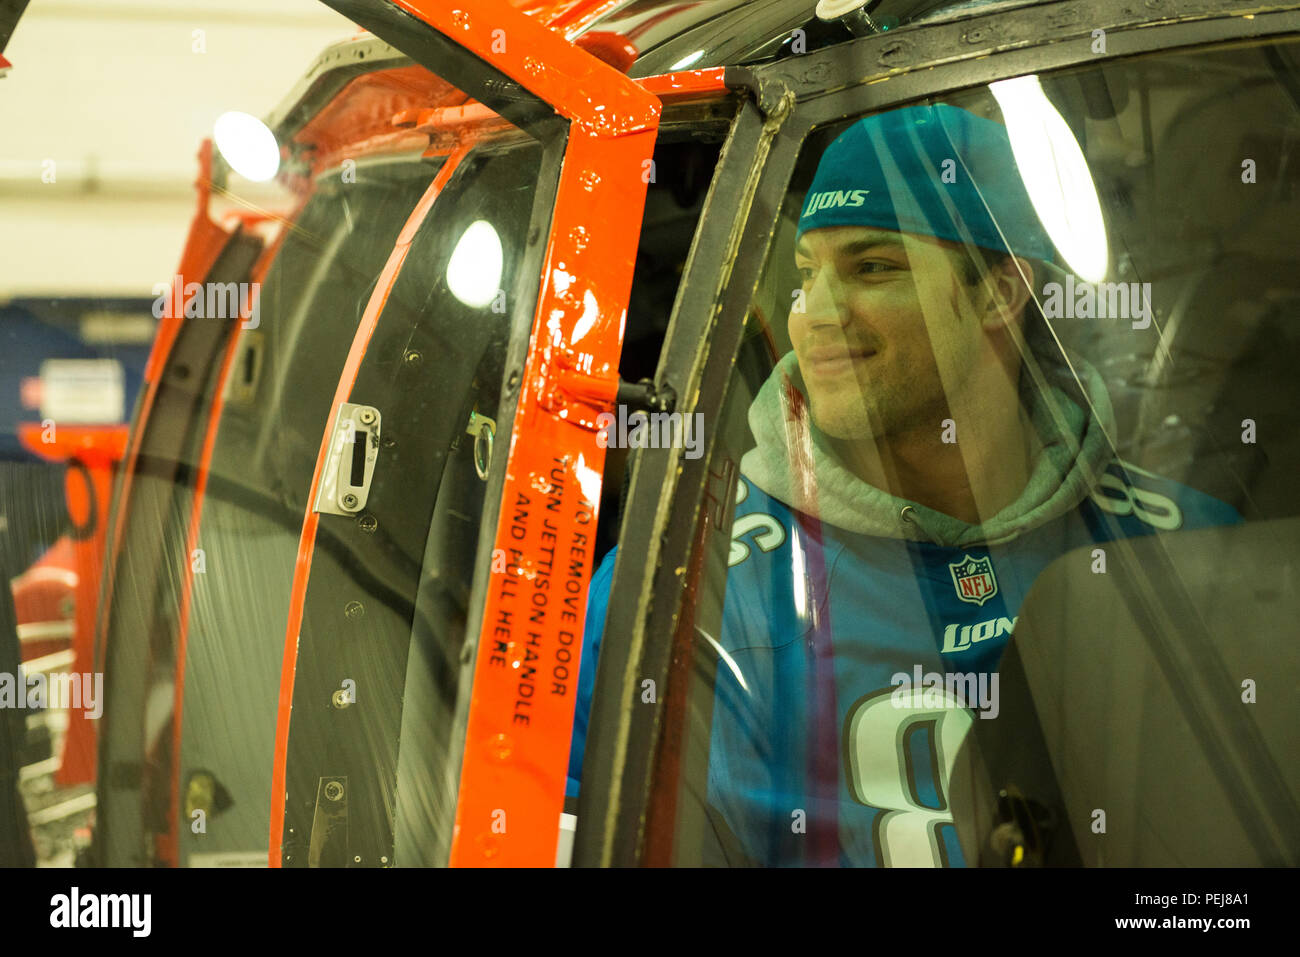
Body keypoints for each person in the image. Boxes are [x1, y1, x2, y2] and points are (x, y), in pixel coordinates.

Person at [568, 101, 1239, 866]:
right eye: (806, 273)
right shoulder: (681, 592)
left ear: (1000, 292)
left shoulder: (1185, 545)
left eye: (873, 267)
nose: (813, 316)